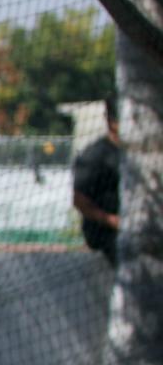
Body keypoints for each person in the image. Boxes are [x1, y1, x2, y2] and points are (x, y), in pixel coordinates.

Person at [72, 97, 121, 261]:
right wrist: (111, 220)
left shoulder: (137, 153)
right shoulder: (95, 156)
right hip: (104, 234)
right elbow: (78, 199)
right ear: (110, 121)